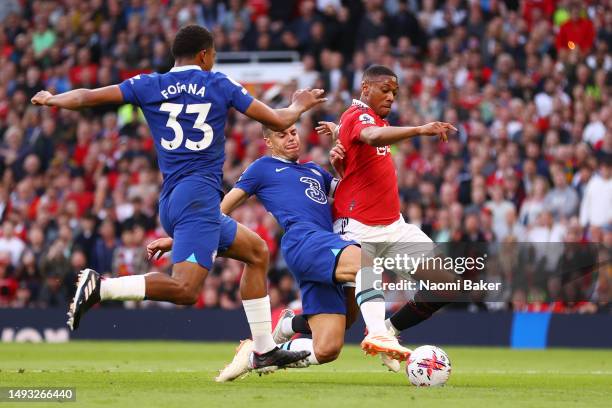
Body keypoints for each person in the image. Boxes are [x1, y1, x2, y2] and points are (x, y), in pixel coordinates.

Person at [31, 24, 325, 371]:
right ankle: (103, 288)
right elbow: (279, 119)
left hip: (176, 198)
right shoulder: (218, 84)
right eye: (213, 55)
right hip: (199, 196)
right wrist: (299, 104)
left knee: (257, 252)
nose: (213, 61)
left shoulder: (148, 84)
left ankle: (263, 350)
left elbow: (87, 97)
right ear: (204, 55)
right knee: (186, 290)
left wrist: (53, 99)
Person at [148, 124, 412, 382]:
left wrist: (343, 167)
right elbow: (221, 210)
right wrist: (179, 240)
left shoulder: (314, 170)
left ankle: (263, 350)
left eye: (293, 132)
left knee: (328, 348)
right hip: (303, 241)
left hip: (326, 245)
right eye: (281, 135)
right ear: (269, 142)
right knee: (365, 261)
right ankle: (380, 332)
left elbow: (351, 197)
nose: (290, 138)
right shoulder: (262, 168)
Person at [315, 64, 457, 372]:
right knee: (346, 313)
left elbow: (361, 141)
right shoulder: (360, 116)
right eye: (386, 89)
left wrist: (339, 133)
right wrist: (420, 129)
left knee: (447, 285)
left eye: (395, 92)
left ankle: (388, 333)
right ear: (366, 88)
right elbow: (372, 135)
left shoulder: (361, 120)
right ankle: (288, 332)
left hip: (393, 226)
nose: (392, 96)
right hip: (358, 227)